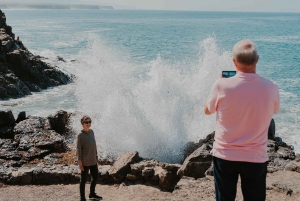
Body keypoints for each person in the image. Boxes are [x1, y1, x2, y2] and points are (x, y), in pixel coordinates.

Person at [204, 39, 280, 201]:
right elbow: (274, 110)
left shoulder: (221, 85)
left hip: (225, 155)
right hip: (255, 156)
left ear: (234, 62)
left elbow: (207, 111)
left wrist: (221, 85)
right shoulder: (271, 86)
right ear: (257, 59)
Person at [77, 115, 102, 201]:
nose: (88, 124)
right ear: (82, 124)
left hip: (93, 160)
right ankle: (82, 198)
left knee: (95, 177)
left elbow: (94, 146)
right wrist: (80, 163)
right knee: (83, 180)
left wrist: (96, 157)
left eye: (89, 122)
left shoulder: (92, 132)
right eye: (86, 122)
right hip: (85, 161)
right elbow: (79, 150)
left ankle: (92, 193)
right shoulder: (80, 135)